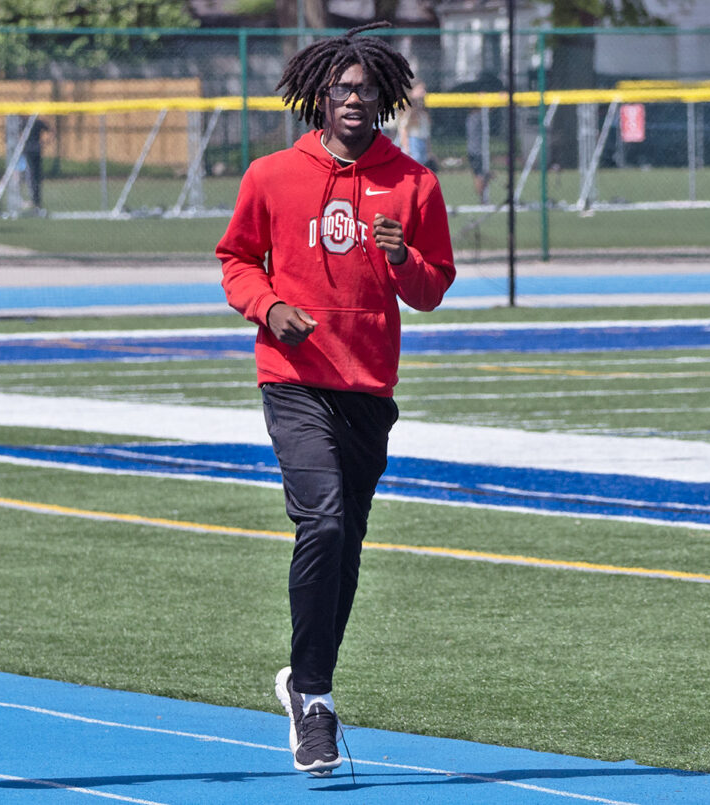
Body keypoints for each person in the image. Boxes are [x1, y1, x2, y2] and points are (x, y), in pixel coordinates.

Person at [216, 21, 455, 778]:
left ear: (387, 97)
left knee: (343, 542)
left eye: (368, 88)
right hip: (292, 379)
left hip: (368, 390)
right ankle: (315, 701)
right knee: (320, 517)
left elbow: (433, 288)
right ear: (319, 96)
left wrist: (402, 257)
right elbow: (233, 259)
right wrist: (266, 306)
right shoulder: (271, 175)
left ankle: (303, 676)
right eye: (343, 88)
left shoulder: (414, 182)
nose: (355, 99)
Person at [399, 80, 433, 169]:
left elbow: (427, 131)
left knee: (422, 166)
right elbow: (403, 129)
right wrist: (406, 147)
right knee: (414, 167)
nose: (424, 92)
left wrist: (429, 149)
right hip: (413, 141)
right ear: (412, 91)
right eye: (420, 89)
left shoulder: (423, 109)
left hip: (423, 140)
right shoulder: (409, 108)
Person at [21, 117, 50, 211]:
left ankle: (34, 201)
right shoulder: (29, 122)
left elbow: (50, 130)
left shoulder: (31, 122)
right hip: (34, 150)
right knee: (35, 177)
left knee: (32, 176)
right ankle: (35, 201)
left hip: (31, 151)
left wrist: (45, 142)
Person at [466, 108, 491, 204]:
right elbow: (488, 110)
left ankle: (483, 197)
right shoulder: (476, 117)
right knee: (479, 175)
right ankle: (483, 199)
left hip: (473, 151)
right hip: (477, 152)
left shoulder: (470, 118)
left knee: (480, 174)